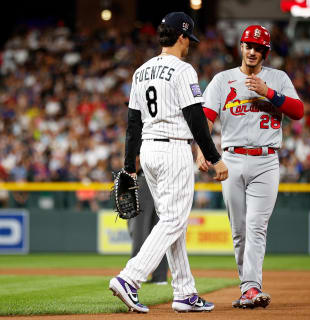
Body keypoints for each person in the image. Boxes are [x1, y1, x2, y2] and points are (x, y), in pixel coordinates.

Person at [108, 12, 228, 314]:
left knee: (170, 222)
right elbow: (196, 119)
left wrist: (128, 165)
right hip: (174, 149)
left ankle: (185, 292)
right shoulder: (183, 69)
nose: (190, 45)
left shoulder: (140, 72)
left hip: (148, 151)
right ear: (182, 37)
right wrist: (214, 157)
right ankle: (130, 278)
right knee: (174, 220)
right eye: (190, 40)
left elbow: (132, 124)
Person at [197, 25, 304, 309]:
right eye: (248, 45)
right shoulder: (223, 80)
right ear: (241, 47)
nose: (253, 51)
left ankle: (250, 288)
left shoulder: (277, 79)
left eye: (259, 48)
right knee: (239, 230)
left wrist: (268, 92)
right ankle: (248, 287)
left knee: (256, 226)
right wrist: (203, 150)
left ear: (265, 53)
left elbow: (298, 111)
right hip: (231, 158)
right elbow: (207, 117)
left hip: (266, 160)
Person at [128, 156, 168, 285]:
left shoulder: (143, 136)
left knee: (139, 232)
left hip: (145, 181)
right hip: (165, 184)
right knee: (160, 233)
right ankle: (160, 277)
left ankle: (133, 276)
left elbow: (136, 159)